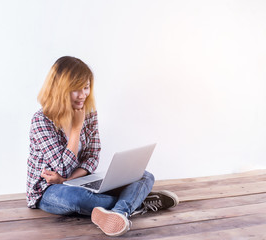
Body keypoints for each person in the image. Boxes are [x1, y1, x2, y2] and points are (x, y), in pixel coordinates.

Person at [26, 56, 179, 237]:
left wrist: (68, 180)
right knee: (77, 199)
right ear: (60, 89)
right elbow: (62, 168)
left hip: (78, 180)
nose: (83, 94)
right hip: (48, 190)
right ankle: (136, 202)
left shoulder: (88, 113)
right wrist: (76, 129)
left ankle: (119, 213)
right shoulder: (41, 120)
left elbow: (93, 155)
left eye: (86, 87)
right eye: (76, 89)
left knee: (145, 176)